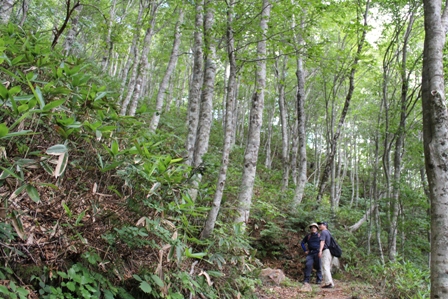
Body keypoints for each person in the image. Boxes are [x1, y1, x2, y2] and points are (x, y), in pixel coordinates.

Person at [318, 221, 334, 288]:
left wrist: (320, 250)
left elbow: (322, 241)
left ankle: (328, 283)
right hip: (329, 252)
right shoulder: (328, 232)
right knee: (327, 267)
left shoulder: (324, 232)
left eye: (321, 224)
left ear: (325, 225)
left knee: (325, 266)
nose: (319, 226)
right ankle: (330, 282)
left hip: (325, 251)